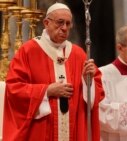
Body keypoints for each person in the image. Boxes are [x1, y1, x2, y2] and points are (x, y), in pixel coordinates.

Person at [2, 3, 104, 141]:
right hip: (40, 131)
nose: (64, 28)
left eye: (68, 24)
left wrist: (88, 81)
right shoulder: (28, 51)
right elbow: (14, 89)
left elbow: (95, 95)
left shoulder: (78, 54)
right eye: (60, 23)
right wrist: (46, 91)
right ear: (46, 23)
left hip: (72, 131)